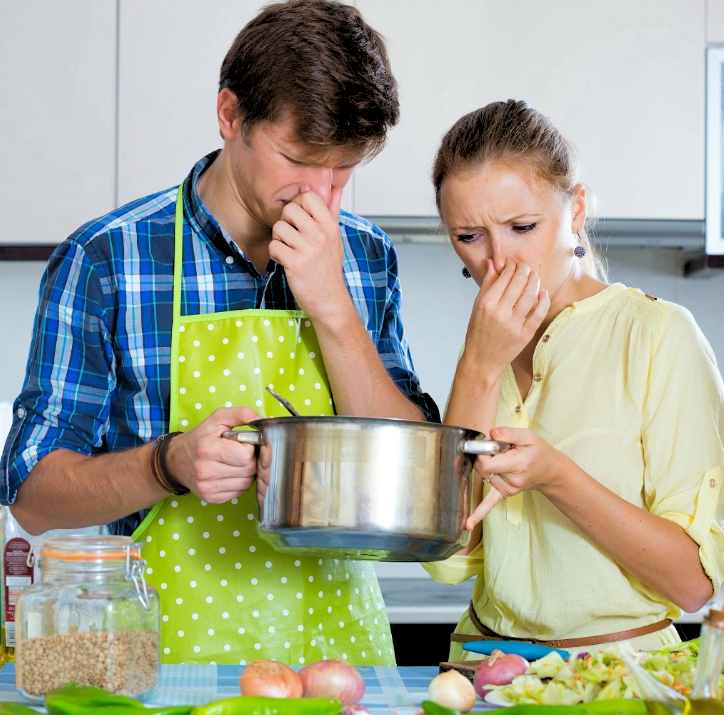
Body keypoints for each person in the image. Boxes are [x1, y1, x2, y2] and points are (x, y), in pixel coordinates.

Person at [0, 0, 439, 666]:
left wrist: (334, 307)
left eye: (344, 168)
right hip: (160, 666)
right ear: (231, 115)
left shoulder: (367, 256)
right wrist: (167, 462)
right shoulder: (109, 258)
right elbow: (32, 496)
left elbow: (409, 483)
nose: (321, 196)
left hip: (337, 668)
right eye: (298, 159)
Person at [422, 99, 724, 660]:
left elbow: (690, 584)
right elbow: (447, 558)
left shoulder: (657, 335)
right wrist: (479, 364)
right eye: (469, 236)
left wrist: (557, 475)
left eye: (523, 227)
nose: (499, 260)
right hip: (484, 671)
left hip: (621, 676)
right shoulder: (484, 348)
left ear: (577, 212)